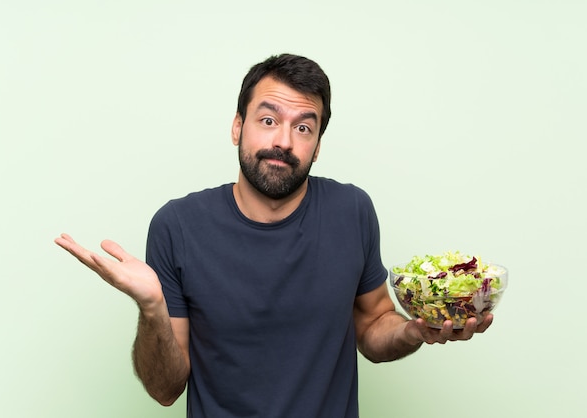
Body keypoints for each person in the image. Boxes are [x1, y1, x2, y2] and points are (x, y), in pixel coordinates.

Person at [55, 53, 493, 417]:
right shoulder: (177, 225)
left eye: (304, 127)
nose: (283, 140)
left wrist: (415, 331)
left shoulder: (351, 210)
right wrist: (151, 307)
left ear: (317, 145)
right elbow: (165, 389)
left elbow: (375, 326)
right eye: (268, 120)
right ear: (237, 127)